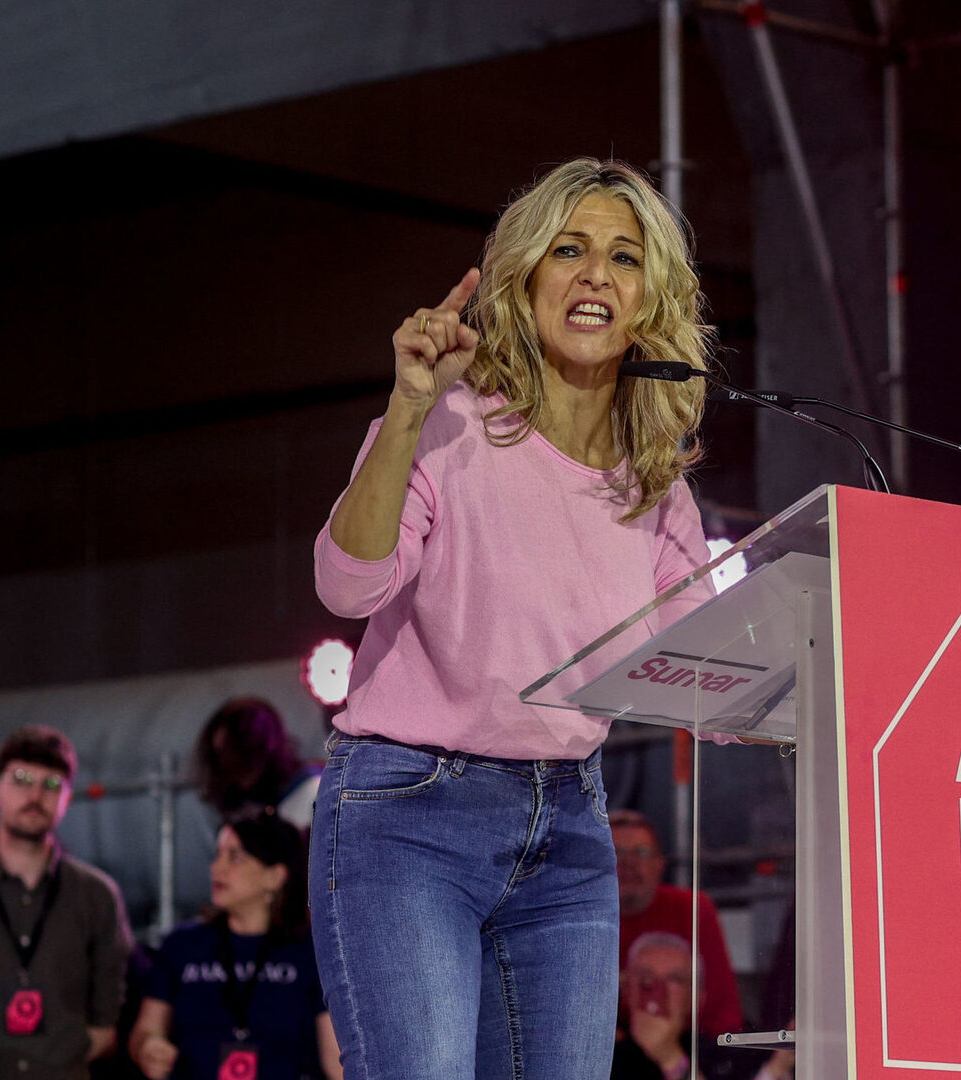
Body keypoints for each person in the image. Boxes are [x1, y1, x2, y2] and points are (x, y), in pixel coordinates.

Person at [309, 157, 716, 1080]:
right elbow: (346, 588)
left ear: (649, 300)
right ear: (524, 278)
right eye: (568, 250)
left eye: (624, 257)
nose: (595, 275)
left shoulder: (657, 485)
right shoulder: (448, 424)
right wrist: (407, 408)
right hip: (410, 816)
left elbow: (706, 670)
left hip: (570, 829)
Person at [129, 807, 341, 1080]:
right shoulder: (183, 944)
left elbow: (335, 1062)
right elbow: (146, 1031)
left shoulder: (310, 952)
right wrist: (149, 1048)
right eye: (218, 855)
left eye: (235, 858)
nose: (216, 868)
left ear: (275, 876)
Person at [0, 725, 133, 1080]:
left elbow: (106, 1023)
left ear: (68, 800)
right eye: (21, 780)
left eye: (52, 784)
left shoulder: (96, 895)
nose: (35, 795)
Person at [613, 809, 744, 1037]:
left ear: (659, 864)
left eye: (642, 852)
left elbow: (722, 1013)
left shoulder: (692, 908)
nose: (628, 863)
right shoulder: (577, 918)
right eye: (616, 852)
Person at [611, 932, 753, 1080]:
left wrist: (670, 1057)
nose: (658, 991)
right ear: (626, 988)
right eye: (646, 976)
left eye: (674, 979)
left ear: (696, 997)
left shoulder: (719, 1058)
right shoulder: (604, 1053)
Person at [194, 698, 322, 829]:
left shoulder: (315, 793)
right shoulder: (251, 812)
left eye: (234, 755)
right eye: (218, 756)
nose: (227, 768)